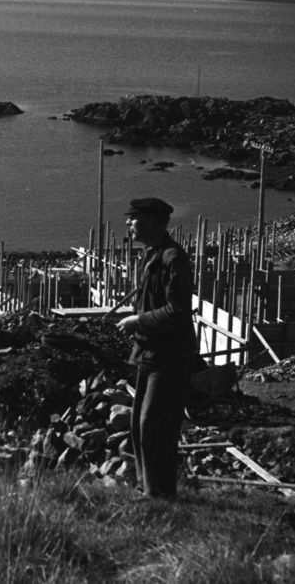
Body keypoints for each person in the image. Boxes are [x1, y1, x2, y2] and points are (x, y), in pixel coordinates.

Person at [115, 197, 196, 498]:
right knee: (139, 424)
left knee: (154, 425)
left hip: (170, 355)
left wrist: (138, 321)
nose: (127, 223)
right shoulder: (153, 255)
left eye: (133, 218)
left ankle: (159, 496)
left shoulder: (173, 258)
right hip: (150, 352)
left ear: (149, 221)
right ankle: (146, 489)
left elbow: (177, 311)